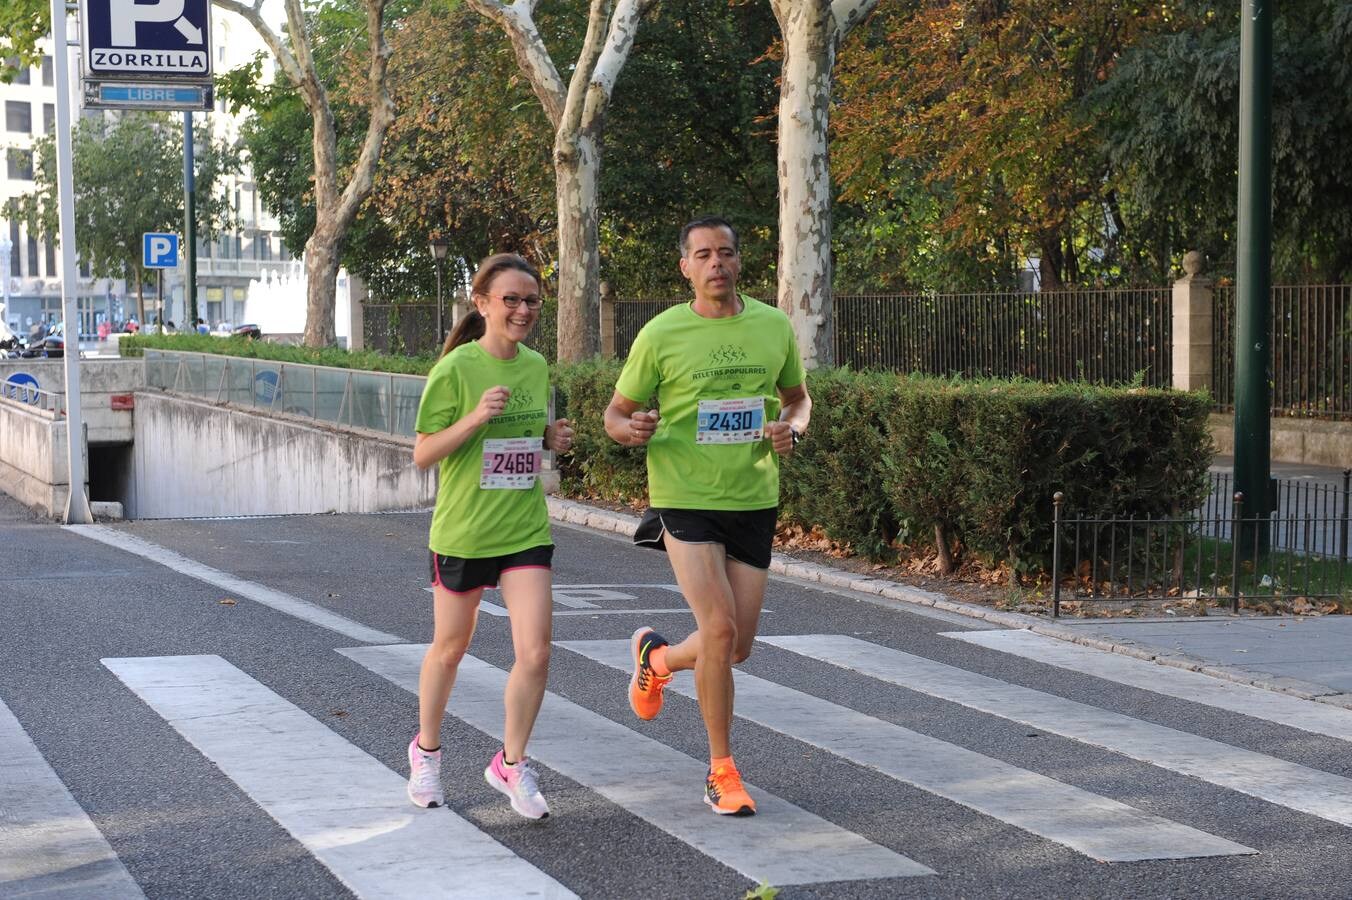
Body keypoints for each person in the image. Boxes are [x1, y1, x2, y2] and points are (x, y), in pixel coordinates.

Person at [603, 216, 811, 817]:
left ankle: (658, 660)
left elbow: (797, 400)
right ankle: (721, 771)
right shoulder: (662, 333)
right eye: (703, 255)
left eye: (725, 252)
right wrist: (631, 430)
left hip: (753, 497)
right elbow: (617, 414)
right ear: (686, 267)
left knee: (735, 647)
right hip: (684, 496)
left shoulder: (773, 326)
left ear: (739, 262)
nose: (715, 262)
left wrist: (791, 430)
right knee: (717, 631)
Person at [408, 252, 574, 820]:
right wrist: (475, 418)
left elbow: (526, 438)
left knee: (536, 651)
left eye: (531, 301)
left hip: (524, 528)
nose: (523, 310)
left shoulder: (535, 365)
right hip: (464, 531)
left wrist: (551, 438)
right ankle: (426, 751)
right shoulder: (454, 370)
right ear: (481, 304)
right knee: (451, 649)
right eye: (511, 299)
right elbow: (423, 454)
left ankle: (512, 762)